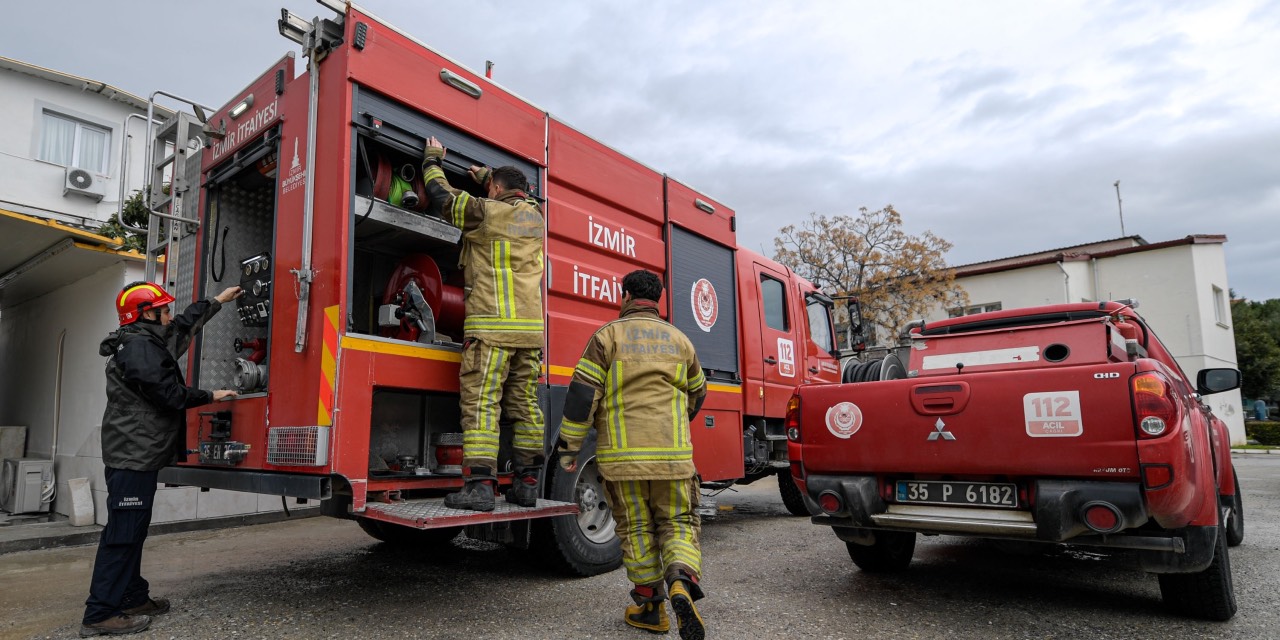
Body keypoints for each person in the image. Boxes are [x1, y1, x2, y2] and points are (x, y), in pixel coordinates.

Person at [81, 282, 242, 637]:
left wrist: (218, 301)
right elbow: (167, 394)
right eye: (164, 310)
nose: (170, 315)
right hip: (132, 455)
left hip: (137, 452)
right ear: (146, 314)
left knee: (132, 530)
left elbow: (184, 325)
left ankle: (133, 597)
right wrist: (211, 394)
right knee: (123, 534)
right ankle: (100, 613)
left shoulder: (146, 339)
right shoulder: (139, 348)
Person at [556, 270, 708, 640]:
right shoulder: (680, 340)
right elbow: (698, 393)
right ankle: (681, 583)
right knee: (678, 524)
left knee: (636, 529)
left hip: (622, 462)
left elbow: (581, 398)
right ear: (659, 299)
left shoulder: (607, 336)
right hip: (672, 460)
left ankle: (651, 608)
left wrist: (569, 450)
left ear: (624, 296)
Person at [422, 137, 547, 511]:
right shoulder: (536, 217)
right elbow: (515, 192)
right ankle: (526, 486)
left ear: (494, 191)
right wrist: (489, 177)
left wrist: (432, 161)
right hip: (528, 332)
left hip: (491, 326)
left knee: (481, 404)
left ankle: (478, 487)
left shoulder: (485, 212)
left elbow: (442, 198)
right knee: (525, 406)